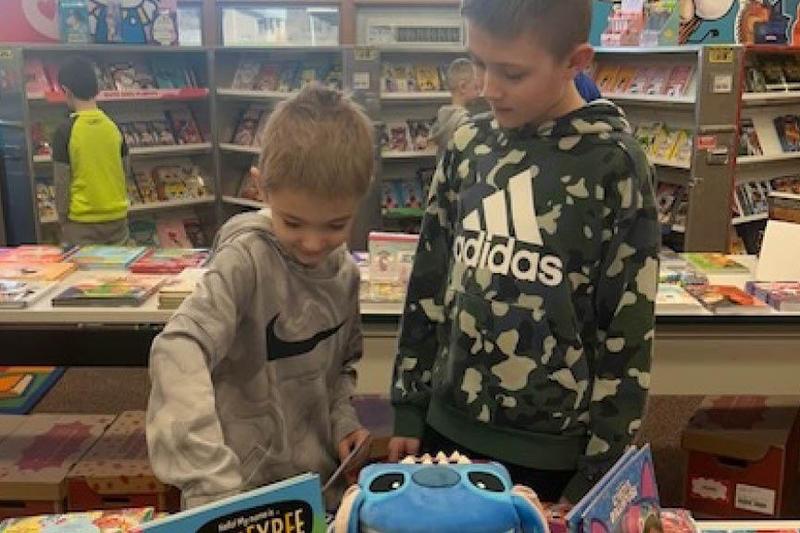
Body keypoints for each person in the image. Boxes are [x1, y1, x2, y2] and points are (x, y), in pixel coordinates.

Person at [388, 0, 659, 505]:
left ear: (576, 62)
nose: (488, 87)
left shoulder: (614, 163)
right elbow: (427, 282)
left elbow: (627, 330)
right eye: (479, 63)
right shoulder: (467, 144)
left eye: (512, 72)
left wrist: (603, 468)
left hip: (551, 452)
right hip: (447, 431)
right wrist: (409, 404)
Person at [146, 85, 374, 510]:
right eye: (293, 222)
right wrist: (209, 478)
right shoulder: (245, 260)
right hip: (238, 492)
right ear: (261, 188)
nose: (311, 242)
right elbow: (178, 347)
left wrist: (343, 423)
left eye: (334, 225)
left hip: (317, 491)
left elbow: (342, 366)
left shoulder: (345, 275)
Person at [53, 57, 130, 245]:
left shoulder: (65, 131)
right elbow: (124, 170)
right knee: (119, 273)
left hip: (81, 224)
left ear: (66, 91)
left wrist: (63, 218)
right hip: (117, 220)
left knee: (84, 274)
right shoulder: (114, 127)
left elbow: (62, 181)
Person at [431, 58, 482, 158]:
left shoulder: (443, 118)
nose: (479, 92)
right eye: (476, 87)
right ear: (462, 87)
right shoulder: (465, 123)